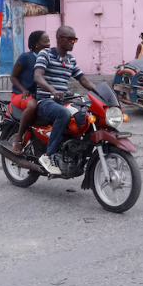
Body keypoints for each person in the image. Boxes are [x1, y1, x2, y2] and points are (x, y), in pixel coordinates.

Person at [33, 26, 98, 175]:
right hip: (45, 100)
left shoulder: (71, 60)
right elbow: (37, 76)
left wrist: (102, 92)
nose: (72, 42)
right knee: (63, 114)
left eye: (74, 39)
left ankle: (73, 152)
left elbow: (83, 79)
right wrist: (52, 90)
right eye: (69, 39)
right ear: (59, 39)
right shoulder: (46, 54)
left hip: (62, 101)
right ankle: (49, 156)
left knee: (86, 113)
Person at [10, 30, 50, 154]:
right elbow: (13, 77)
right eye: (45, 41)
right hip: (20, 95)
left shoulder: (47, 58)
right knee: (32, 105)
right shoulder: (26, 57)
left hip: (39, 96)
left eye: (49, 40)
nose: (49, 44)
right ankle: (19, 138)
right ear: (36, 44)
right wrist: (23, 90)